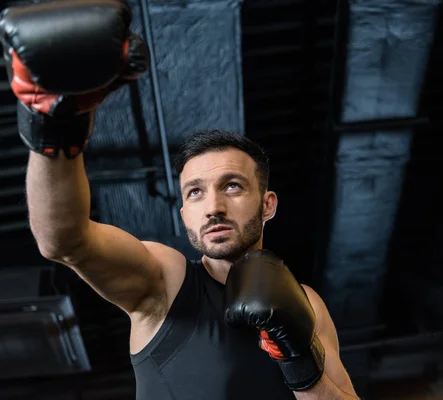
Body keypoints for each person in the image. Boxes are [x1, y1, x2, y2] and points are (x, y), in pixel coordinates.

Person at [0, 0, 359, 399]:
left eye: (233, 186)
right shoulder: (166, 281)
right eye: (195, 193)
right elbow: (64, 241)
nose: (214, 206)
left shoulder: (306, 303)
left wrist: (298, 359)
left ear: (268, 204)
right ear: (184, 213)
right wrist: (55, 127)